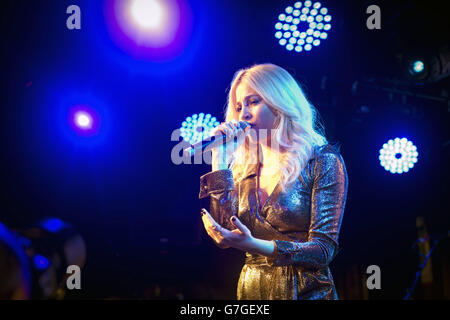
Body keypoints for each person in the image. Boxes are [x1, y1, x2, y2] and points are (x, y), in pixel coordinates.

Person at [199, 63, 348, 300]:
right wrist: (219, 158)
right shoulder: (241, 169)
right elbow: (225, 233)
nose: (244, 114)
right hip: (252, 290)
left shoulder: (322, 160)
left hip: (305, 290)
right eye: (238, 107)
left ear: (280, 102)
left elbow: (322, 250)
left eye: (253, 102)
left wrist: (254, 245)